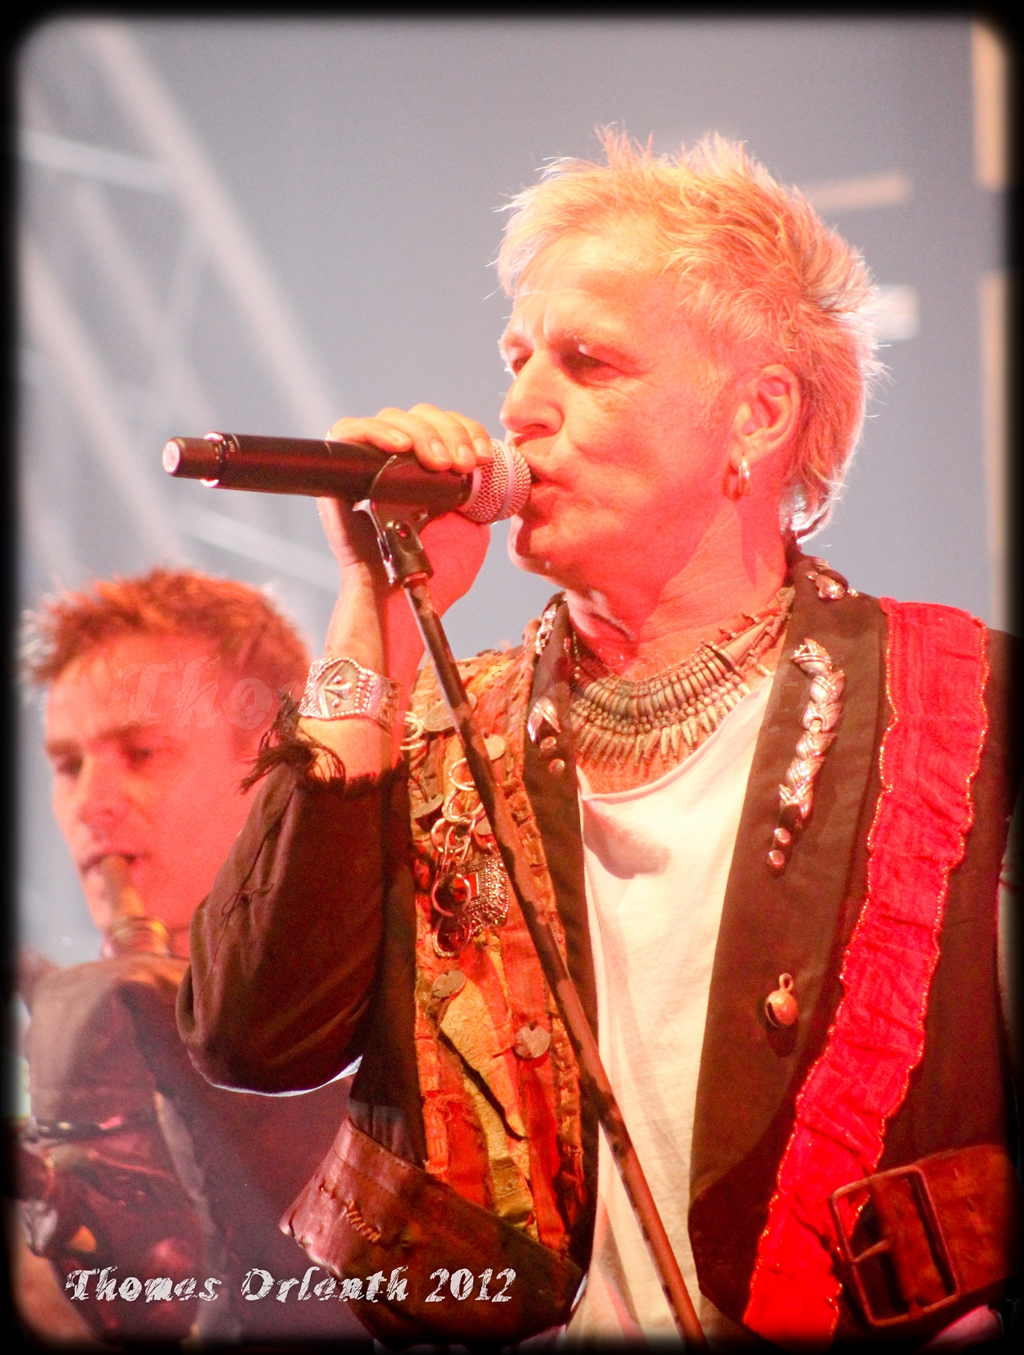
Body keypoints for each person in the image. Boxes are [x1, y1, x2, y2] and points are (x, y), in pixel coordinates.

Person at [179, 135, 1019, 1348]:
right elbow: (251, 1034)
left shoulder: (964, 710)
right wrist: (374, 609)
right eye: (517, 358)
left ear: (757, 414)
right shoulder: (430, 723)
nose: (519, 407)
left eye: (588, 361)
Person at [16, 569, 368, 1348]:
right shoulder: (64, 1052)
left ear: (273, 761)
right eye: (68, 765)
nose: (90, 803)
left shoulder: (379, 1023)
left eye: (142, 752)